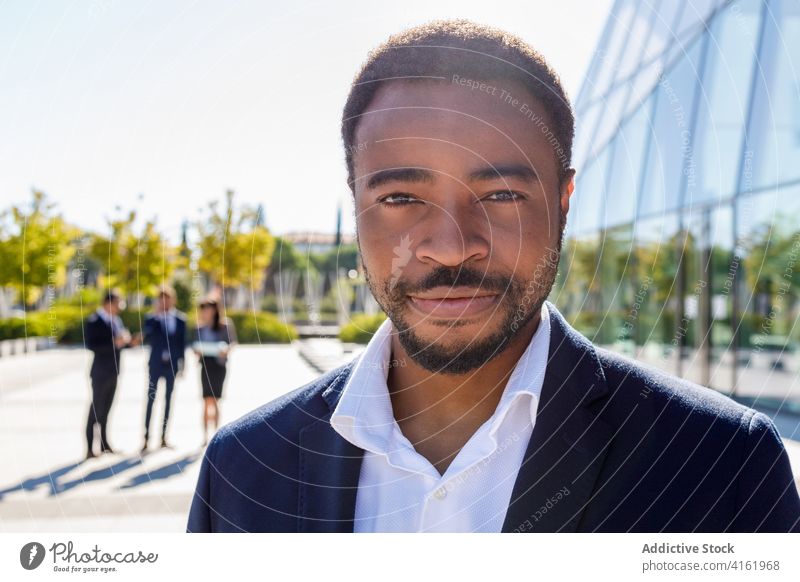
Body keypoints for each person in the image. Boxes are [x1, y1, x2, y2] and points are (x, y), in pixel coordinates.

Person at [188, 20, 800, 532]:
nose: (451, 248)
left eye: (502, 193)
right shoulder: (241, 471)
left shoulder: (722, 466)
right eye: (401, 197)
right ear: (355, 205)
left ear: (564, 202)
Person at [84, 290, 140, 459]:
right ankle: (89, 447)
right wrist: (114, 343)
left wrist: (131, 343)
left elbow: (120, 345)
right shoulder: (94, 321)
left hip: (114, 371)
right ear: (108, 303)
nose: (120, 307)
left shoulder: (116, 320)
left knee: (107, 409)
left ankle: (104, 443)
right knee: (95, 408)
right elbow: (91, 345)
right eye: (118, 303)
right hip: (100, 371)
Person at [142, 285, 187, 452]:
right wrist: (157, 317)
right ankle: (146, 438)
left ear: (172, 300)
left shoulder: (181, 319)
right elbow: (147, 336)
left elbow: (183, 345)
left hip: (172, 366)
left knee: (169, 400)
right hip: (155, 365)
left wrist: (183, 366)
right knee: (151, 399)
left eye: (167, 298)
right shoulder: (151, 319)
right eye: (161, 299)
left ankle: (163, 437)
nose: (164, 302)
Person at [192, 297, 237, 445]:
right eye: (204, 309)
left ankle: (215, 436)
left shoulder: (225, 325)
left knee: (216, 400)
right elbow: (195, 346)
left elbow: (232, 342)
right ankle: (205, 436)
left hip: (219, 365)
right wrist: (196, 351)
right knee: (206, 400)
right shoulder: (199, 327)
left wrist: (226, 350)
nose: (206, 311)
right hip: (205, 364)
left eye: (209, 308)